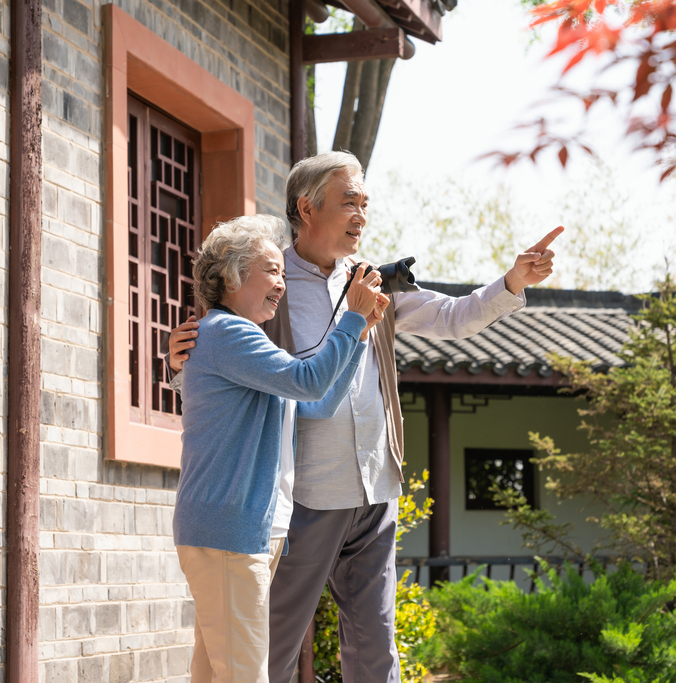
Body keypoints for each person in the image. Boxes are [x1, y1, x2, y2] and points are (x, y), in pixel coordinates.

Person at [170, 153, 563, 683]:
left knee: (377, 651)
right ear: (306, 208)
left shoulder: (369, 281)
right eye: (348, 202)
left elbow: (453, 316)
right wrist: (174, 363)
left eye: (365, 204)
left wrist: (512, 281)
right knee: (270, 651)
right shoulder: (262, 283)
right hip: (300, 496)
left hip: (375, 488)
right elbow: (213, 372)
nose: (361, 215)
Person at [172, 213, 388, 683]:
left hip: (242, 531)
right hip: (229, 531)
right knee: (245, 675)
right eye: (272, 270)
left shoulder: (241, 342)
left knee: (215, 674)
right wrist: (350, 318)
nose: (281, 284)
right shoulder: (229, 333)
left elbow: (318, 404)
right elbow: (308, 381)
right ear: (231, 276)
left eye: (284, 274)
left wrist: (361, 333)